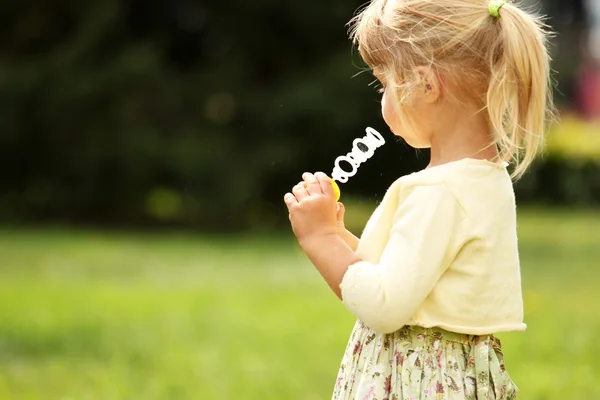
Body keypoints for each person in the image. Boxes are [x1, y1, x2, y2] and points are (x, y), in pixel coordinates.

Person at [283, 0, 555, 398]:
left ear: (426, 85)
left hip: (418, 382)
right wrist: (341, 235)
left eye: (383, 83)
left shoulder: (438, 192)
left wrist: (320, 239)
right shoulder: (484, 180)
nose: (381, 98)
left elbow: (385, 306)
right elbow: (413, 280)